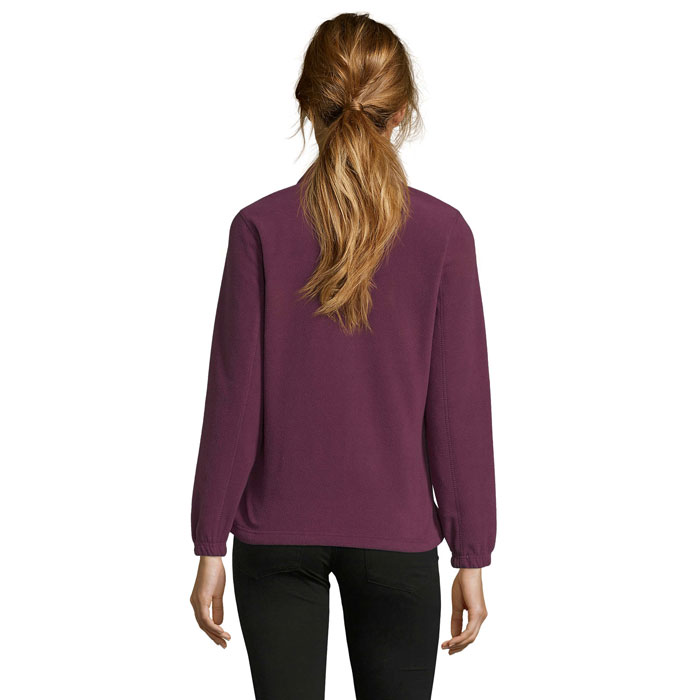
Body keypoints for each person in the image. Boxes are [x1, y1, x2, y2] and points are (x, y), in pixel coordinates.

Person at [189, 12, 497, 700]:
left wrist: (210, 541)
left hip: (275, 537)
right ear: (402, 112)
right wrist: (471, 553)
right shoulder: (443, 234)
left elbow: (234, 400)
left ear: (308, 105)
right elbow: (457, 412)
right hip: (397, 537)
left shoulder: (259, 228)